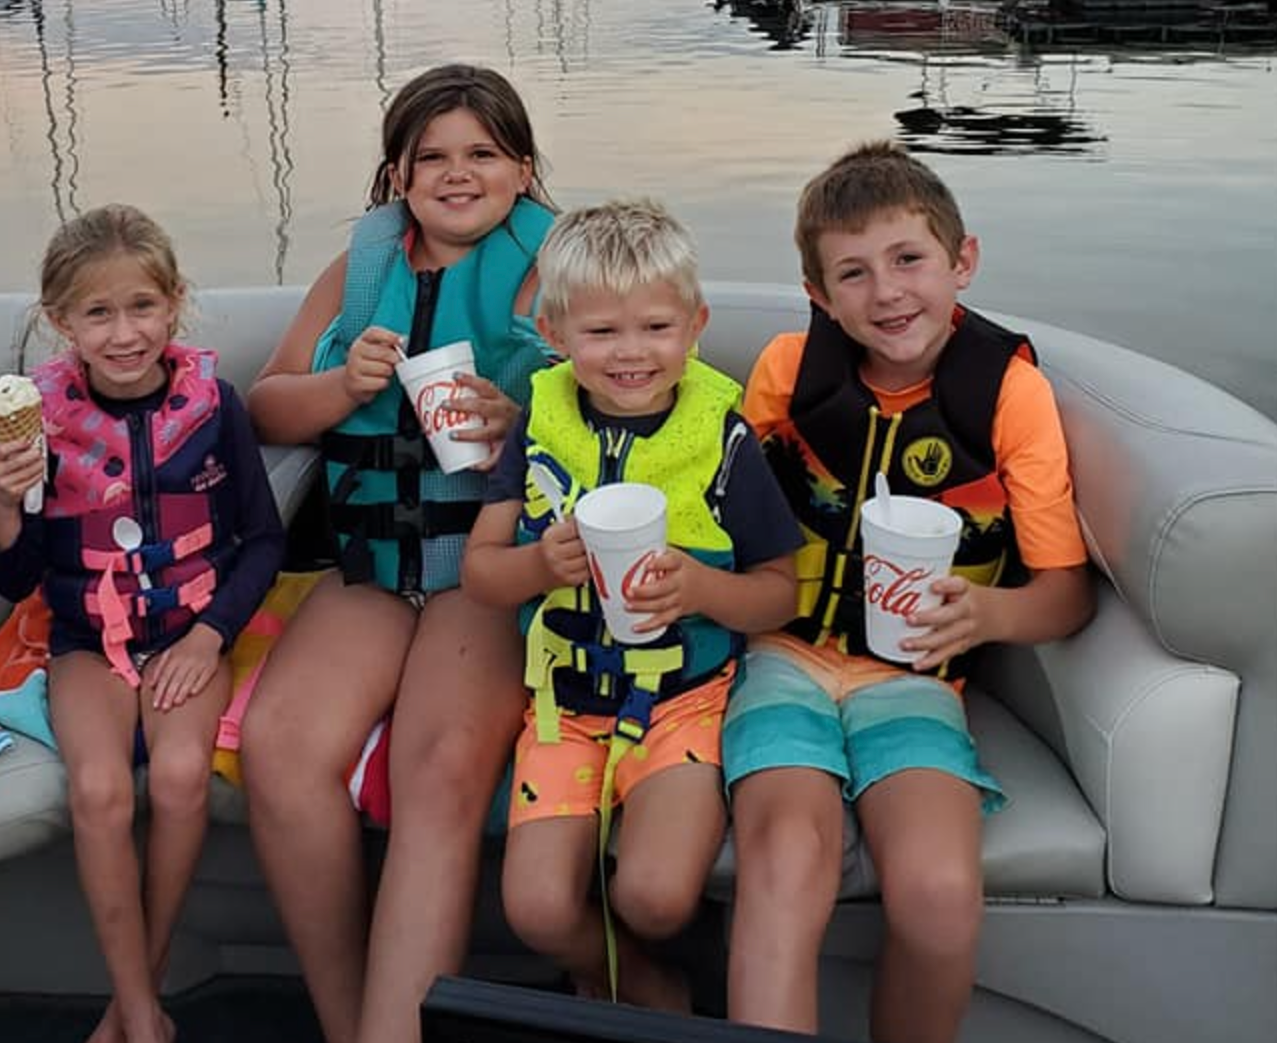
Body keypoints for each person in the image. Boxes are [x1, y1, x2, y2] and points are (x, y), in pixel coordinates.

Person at [723, 142, 1095, 1043]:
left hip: (919, 680)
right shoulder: (785, 374)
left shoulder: (1010, 396)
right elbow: (722, 518)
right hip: (780, 656)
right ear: (818, 295)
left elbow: (1066, 597)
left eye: (908, 260)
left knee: (936, 892)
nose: (886, 293)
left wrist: (990, 613)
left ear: (961, 260)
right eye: (852, 273)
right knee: (785, 861)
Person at [240, 63, 557, 1043]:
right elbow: (266, 402)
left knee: (439, 771)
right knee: (280, 748)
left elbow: (623, 408)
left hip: (489, 572)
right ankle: (347, 1022)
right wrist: (340, 387)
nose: (457, 174)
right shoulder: (359, 273)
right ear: (396, 178)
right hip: (370, 569)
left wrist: (522, 418)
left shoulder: (557, 268)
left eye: (481, 154)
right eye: (432, 158)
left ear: (521, 168)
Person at [463, 199, 800, 1011]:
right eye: (601, 332)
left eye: (655, 327)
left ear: (695, 325)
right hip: (565, 707)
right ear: (553, 332)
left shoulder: (725, 442)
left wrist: (701, 586)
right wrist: (539, 565)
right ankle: (641, 981)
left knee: (656, 894)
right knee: (536, 908)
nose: (631, 353)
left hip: (684, 703)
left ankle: (645, 963)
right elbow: (479, 574)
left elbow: (779, 594)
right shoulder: (539, 424)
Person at [0, 203, 285, 1043]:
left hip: (191, 634)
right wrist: (5, 504)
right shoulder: (37, 424)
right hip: (87, 643)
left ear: (175, 303)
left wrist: (208, 635)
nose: (124, 334)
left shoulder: (215, 407)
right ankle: (146, 1016)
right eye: (98, 314)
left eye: (142, 307)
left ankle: (133, 1005)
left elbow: (263, 542)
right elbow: (15, 575)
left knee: (183, 778)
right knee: (101, 790)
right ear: (60, 322)